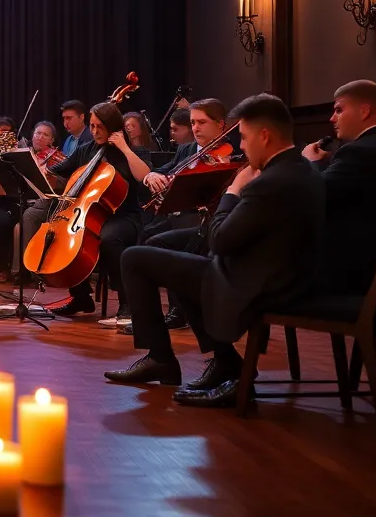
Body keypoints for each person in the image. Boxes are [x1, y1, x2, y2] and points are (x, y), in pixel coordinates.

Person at [106, 94, 325, 408]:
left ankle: (167, 358)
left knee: (135, 257)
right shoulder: (305, 171)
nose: (243, 146)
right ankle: (219, 362)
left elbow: (219, 237)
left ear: (264, 136)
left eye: (245, 137)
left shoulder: (270, 181)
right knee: (177, 260)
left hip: (260, 283)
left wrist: (234, 190)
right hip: (284, 275)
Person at [301, 80, 376, 294]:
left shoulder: (358, 152)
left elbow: (313, 196)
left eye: (339, 110)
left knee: (259, 275)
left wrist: (311, 162)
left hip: (353, 278)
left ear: (364, 111)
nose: (332, 118)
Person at [39, 101, 151, 325]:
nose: (95, 132)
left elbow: (145, 176)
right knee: (68, 237)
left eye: (101, 126)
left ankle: (126, 303)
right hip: (90, 215)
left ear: (113, 126)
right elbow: (56, 169)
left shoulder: (134, 151)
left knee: (109, 238)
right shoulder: (87, 150)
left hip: (124, 216)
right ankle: (81, 298)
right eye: (92, 126)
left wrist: (125, 148)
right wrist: (44, 170)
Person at [139, 98, 236, 330]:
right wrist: (151, 176)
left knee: (178, 232)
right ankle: (149, 313)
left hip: (211, 217)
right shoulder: (187, 150)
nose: (195, 128)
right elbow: (165, 170)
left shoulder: (234, 151)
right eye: (193, 122)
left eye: (202, 122)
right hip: (180, 213)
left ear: (220, 125)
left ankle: (179, 310)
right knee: (147, 239)